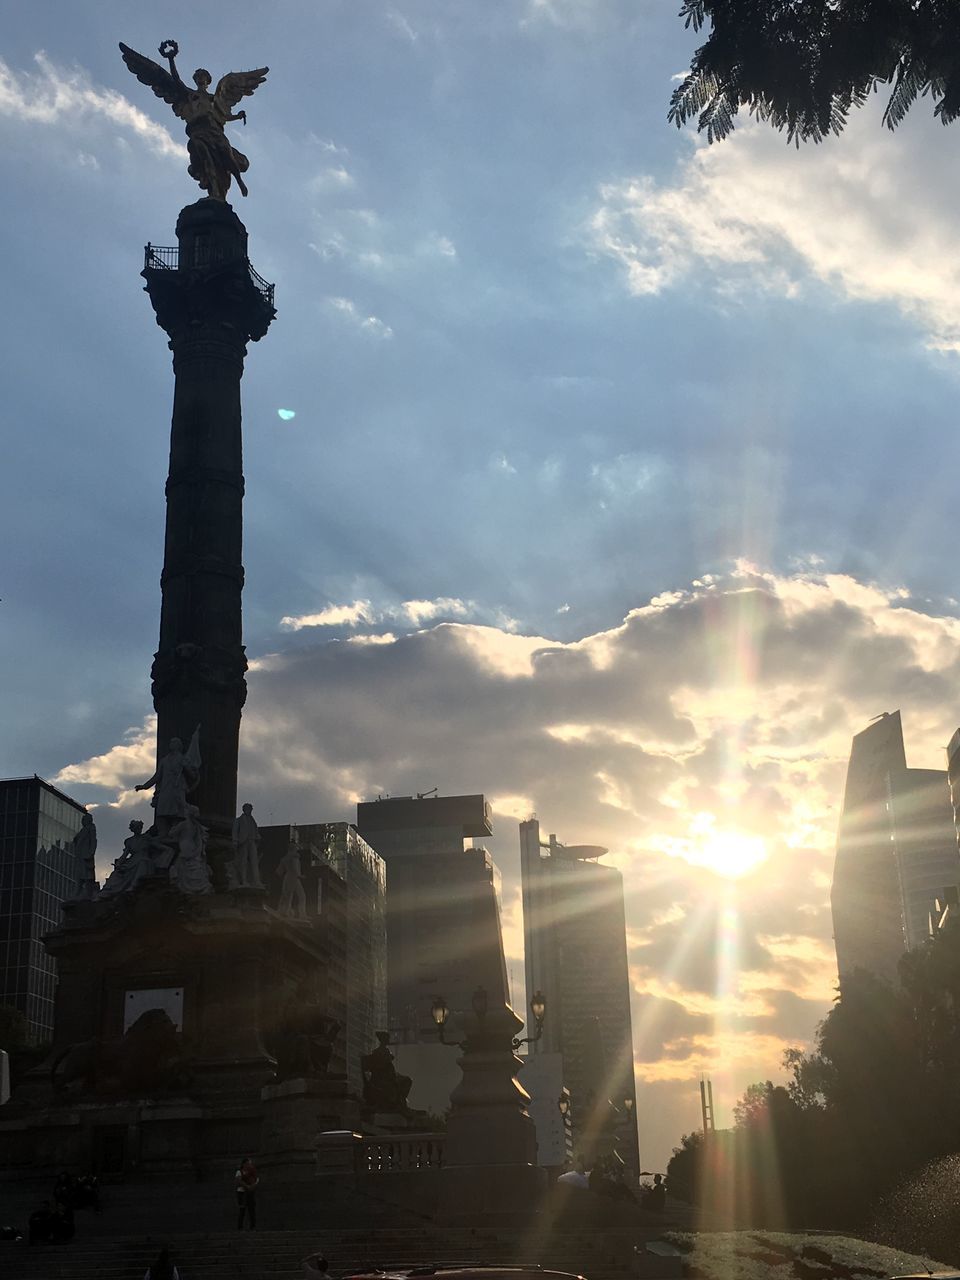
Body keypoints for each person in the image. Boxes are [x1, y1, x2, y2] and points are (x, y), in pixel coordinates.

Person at [235, 1156, 259, 1230]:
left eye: (250, 1164)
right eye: (248, 1163)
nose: (249, 1165)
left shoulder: (252, 1172)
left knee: (252, 1210)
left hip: (250, 1192)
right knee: (242, 1210)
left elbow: (256, 1180)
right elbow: (238, 1181)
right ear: (244, 1164)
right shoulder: (239, 1172)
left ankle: (253, 1227)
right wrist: (247, 1186)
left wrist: (252, 1186)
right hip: (242, 1192)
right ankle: (240, 1227)